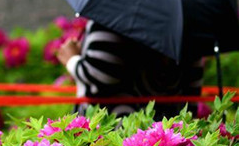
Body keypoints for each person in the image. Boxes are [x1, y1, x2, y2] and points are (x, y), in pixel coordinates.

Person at [57, 20, 204, 119]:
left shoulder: (114, 11)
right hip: (171, 131)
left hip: (116, 132)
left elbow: (101, 74)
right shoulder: (186, 14)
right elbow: (193, 80)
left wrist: (72, 60)